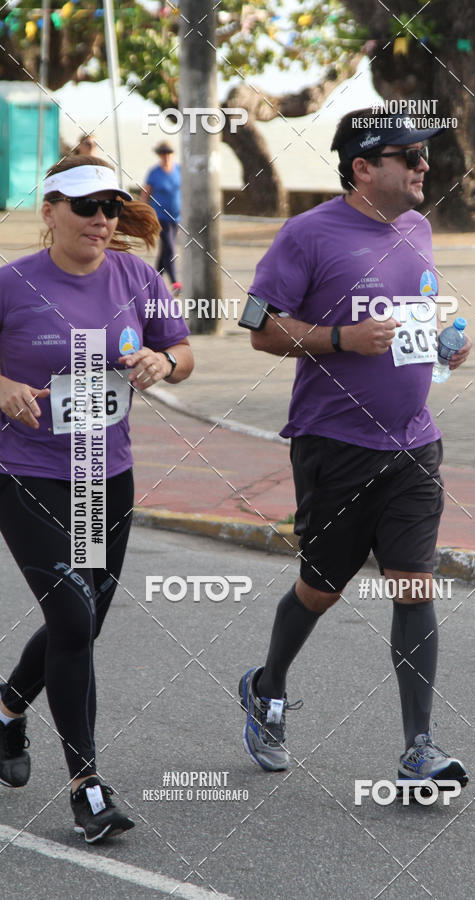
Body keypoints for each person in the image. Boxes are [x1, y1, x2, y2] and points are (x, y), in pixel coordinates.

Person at [238, 109, 472, 791]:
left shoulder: (419, 228)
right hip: (333, 445)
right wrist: (341, 339)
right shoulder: (306, 235)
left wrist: (448, 342)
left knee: (414, 583)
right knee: (320, 588)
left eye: (425, 155)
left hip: (413, 445)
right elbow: (258, 327)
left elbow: (422, 318)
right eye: (410, 156)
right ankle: (267, 686)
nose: (425, 166)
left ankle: (418, 747)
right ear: (364, 167)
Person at [0, 155, 194, 842]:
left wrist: (160, 363)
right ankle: (87, 788)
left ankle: (7, 706)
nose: (102, 219)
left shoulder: (137, 276)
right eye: (86, 207)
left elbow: (182, 351)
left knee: (81, 622)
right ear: (49, 211)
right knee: (75, 620)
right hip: (27, 471)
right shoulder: (12, 283)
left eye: (111, 206)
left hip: (103, 475)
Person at [141, 141, 182, 292]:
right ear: (159, 155)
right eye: (162, 153)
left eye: (168, 153)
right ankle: (175, 282)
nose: (166, 156)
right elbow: (146, 193)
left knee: (164, 251)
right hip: (160, 217)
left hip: (176, 217)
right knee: (170, 247)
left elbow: (185, 190)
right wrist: (144, 212)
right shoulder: (154, 172)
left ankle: (154, 281)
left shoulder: (179, 170)